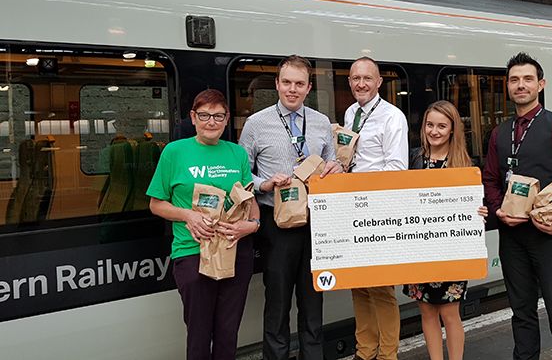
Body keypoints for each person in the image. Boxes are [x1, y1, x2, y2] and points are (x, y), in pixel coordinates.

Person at [482, 52, 552, 360]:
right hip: (513, 239)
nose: (521, 85)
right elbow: (491, 180)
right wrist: (497, 211)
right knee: (521, 315)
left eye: (528, 79)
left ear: (540, 84)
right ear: (507, 86)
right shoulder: (499, 134)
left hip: (549, 237)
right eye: (515, 80)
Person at [239, 55, 342, 360]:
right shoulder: (256, 124)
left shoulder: (322, 123)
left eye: (299, 83)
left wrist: (336, 169)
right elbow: (242, 174)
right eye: (287, 82)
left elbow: (334, 162)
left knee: (313, 301)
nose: (292, 89)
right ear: (277, 84)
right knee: (278, 301)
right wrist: (265, 184)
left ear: (308, 87)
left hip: (316, 223)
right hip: (277, 225)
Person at [147, 89, 260, 360]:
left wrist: (253, 225)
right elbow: (156, 204)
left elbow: (249, 200)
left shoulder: (237, 154)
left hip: (235, 252)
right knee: (198, 335)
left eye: (218, 116)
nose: (212, 122)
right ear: (193, 117)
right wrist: (189, 216)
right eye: (205, 115)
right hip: (192, 253)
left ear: (227, 118)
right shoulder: (175, 152)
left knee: (228, 332)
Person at [402, 100, 488, 360]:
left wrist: (479, 213)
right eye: (430, 125)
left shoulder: (464, 164)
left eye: (442, 126)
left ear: (453, 130)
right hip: (419, 248)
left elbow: (473, 205)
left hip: (452, 250)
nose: (434, 131)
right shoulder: (413, 158)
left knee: (450, 312)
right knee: (427, 311)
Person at [344, 56, 409, 360]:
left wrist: (358, 183)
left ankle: (387, 354)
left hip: (380, 210)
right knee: (358, 285)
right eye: (356, 78)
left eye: (367, 78)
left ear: (379, 82)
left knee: (382, 289)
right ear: (350, 82)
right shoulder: (350, 113)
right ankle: (365, 351)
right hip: (352, 208)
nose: (361, 83)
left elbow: (396, 168)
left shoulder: (392, 116)